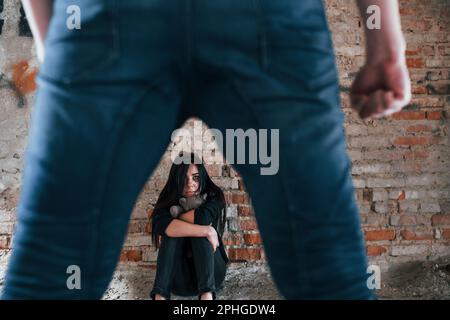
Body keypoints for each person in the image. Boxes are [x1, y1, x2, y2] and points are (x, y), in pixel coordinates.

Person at [1, 0, 411, 299]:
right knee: (328, 269)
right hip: (268, 21)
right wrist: (386, 43)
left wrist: (52, 41)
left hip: (113, 19)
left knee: (52, 269)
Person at [149, 152, 229, 300]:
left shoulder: (213, 195)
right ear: (176, 180)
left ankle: (207, 297)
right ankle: (160, 296)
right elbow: (160, 224)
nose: (190, 184)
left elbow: (203, 217)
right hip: (177, 280)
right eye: (184, 179)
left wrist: (175, 222)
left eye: (195, 178)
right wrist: (207, 230)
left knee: (188, 230)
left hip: (212, 275)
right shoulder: (169, 198)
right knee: (181, 233)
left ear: (202, 177)